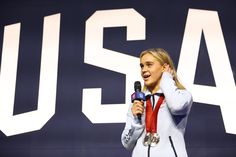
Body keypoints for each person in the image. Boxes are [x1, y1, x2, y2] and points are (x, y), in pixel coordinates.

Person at [121, 48, 193, 157]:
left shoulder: (182, 95)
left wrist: (167, 78)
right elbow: (126, 143)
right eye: (142, 66)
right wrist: (136, 121)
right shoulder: (138, 102)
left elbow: (176, 106)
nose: (144, 70)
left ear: (164, 67)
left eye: (149, 65)